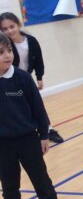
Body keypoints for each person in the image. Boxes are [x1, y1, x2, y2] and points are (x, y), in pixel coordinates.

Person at [0, 32, 69, 199]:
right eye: (1, 52)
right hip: (3, 145)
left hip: (28, 140)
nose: (7, 55)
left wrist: (44, 135)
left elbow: (38, 108)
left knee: (42, 182)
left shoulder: (22, 78)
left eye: (9, 50)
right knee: (9, 187)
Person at [0, 12, 64, 144]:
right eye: (4, 29)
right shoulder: (6, 45)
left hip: (26, 79)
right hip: (12, 80)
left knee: (37, 105)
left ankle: (48, 130)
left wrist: (39, 77)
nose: (9, 31)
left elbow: (39, 60)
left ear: (18, 24)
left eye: (12, 26)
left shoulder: (31, 41)